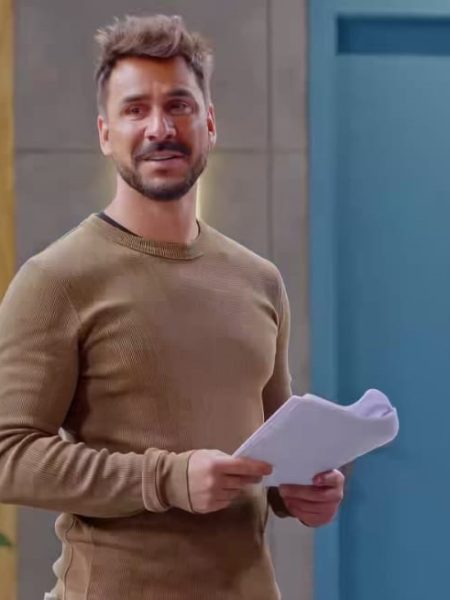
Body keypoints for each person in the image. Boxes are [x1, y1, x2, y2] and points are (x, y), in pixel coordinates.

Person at [0, 14, 344, 600]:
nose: (160, 127)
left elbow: (272, 447)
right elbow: (8, 454)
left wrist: (301, 490)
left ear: (209, 123)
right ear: (106, 133)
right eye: (135, 109)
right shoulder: (55, 279)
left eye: (179, 105)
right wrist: (168, 479)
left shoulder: (259, 280)